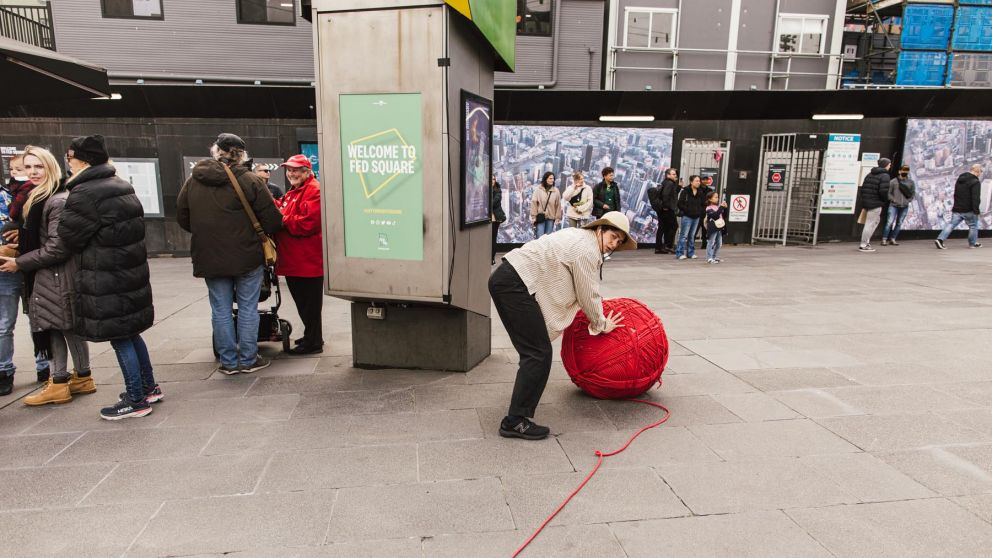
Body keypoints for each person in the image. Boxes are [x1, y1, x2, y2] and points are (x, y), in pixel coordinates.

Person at [489, 211, 634, 440]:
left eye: (618, 241)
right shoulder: (586, 250)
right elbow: (588, 293)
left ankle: (519, 411)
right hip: (514, 283)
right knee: (538, 354)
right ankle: (515, 421)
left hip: (510, 278)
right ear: (600, 229)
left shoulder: (578, 235)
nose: (613, 244)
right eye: (612, 237)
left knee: (534, 351)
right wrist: (601, 323)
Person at [57, 135, 160, 420]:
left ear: (84, 160)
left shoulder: (85, 193)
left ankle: (137, 400)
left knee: (120, 337)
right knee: (130, 333)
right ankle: (148, 387)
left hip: (106, 277)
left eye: (70, 157)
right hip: (127, 273)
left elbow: (67, 237)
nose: (68, 163)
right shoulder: (120, 184)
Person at [177, 133, 282, 374]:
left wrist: (209, 235)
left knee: (220, 309)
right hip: (247, 255)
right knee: (247, 307)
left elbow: (183, 216)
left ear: (216, 151)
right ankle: (248, 359)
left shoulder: (194, 180)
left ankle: (228, 361)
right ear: (241, 154)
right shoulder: (250, 180)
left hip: (210, 256)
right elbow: (273, 220)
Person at [0, 146, 94, 406]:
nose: (32, 172)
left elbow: (57, 247)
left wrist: (19, 262)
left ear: (50, 166)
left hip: (54, 275)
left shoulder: (55, 200)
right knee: (63, 327)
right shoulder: (39, 196)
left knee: (54, 328)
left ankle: (60, 382)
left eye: (38, 166)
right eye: (28, 167)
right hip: (49, 274)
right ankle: (79, 377)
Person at [0, 153, 52, 394]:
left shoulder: (37, 195)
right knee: (4, 324)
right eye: (19, 168)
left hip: (30, 265)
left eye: (31, 167)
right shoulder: (12, 196)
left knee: (38, 320)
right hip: (5, 268)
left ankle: (46, 367)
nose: (24, 172)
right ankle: (4, 370)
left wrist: (22, 241)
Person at [275, 154, 323, 355]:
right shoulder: (295, 191)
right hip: (295, 260)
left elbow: (307, 224)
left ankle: (313, 342)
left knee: (309, 305)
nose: (291, 173)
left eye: (295, 170)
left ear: (307, 172)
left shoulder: (314, 190)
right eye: (289, 170)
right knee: (304, 304)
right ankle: (312, 336)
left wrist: (283, 219)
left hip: (307, 261)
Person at [935, 164, 983, 250]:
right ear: (977, 171)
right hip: (969, 209)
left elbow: (956, 194)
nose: (980, 174)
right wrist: (976, 211)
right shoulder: (975, 182)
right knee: (973, 226)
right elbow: (975, 197)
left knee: (951, 224)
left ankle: (940, 239)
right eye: (980, 172)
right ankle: (972, 244)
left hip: (957, 208)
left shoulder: (960, 179)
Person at [858, 157, 891, 253]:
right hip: (876, 203)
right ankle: (863, 244)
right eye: (889, 164)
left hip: (867, 202)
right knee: (870, 223)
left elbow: (863, 188)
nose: (890, 165)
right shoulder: (885, 176)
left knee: (875, 221)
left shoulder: (870, 174)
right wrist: (885, 200)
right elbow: (883, 191)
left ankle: (866, 242)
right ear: (885, 165)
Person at [674, 175, 707, 260]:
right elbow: (680, 203)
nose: (698, 182)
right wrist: (687, 210)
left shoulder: (700, 192)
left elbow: (703, 204)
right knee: (683, 235)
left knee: (692, 236)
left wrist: (700, 212)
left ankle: (690, 253)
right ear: (691, 182)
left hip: (696, 217)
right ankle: (679, 253)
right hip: (687, 216)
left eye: (699, 181)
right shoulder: (685, 191)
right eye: (696, 181)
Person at [883, 165, 915, 246]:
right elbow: (888, 193)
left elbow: (913, 193)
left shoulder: (911, 182)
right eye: (903, 170)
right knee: (889, 222)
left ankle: (893, 239)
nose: (905, 172)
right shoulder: (893, 181)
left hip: (904, 206)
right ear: (899, 171)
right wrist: (893, 199)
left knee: (899, 223)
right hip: (893, 205)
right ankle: (884, 239)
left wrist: (908, 201)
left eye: (907, 170)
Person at [649, 168, 678, 254]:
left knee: (662, 227)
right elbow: (665, 195)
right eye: (673, 174)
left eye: (675, 174)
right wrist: (666, 207)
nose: (675, 175)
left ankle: (659, 248)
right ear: (668, 175)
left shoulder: (665, 182)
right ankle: (668, 246)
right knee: (673, 226)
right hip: (667, 209)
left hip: (662, 209)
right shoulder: (669, 183)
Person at [530, 171, 561, 239]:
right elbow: (534, 203)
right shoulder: (538, 190)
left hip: (551, 218)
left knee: (548, 238)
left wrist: (557, 218)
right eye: (550, 178)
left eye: (553, 178)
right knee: (540, 237)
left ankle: (546, 250)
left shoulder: (556, 191)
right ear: (545, 179)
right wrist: (534, 217)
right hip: (540, 217)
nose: (552, 180)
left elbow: (558, 205)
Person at [704, 191, 728, 264]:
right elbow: (715, 216)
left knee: (719, 243)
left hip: (719, 227)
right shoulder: (708, 208)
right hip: (712, 227)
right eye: (715, 197)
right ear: (710, 199)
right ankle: (709, 258)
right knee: (711, 242)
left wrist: (725, 208)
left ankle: (714, 256)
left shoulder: (717, 207)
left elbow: (724, 216)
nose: (717, 199)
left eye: (717, 197)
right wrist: (721, 207)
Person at [491, 174, 506, 265]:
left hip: (494, 218)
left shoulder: (498, 191)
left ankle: (492, 258)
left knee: (493, 239)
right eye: (491, 179)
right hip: (485, 219)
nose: (492, 181)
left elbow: (494, 202)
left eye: (493, 179)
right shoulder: (483, 189)